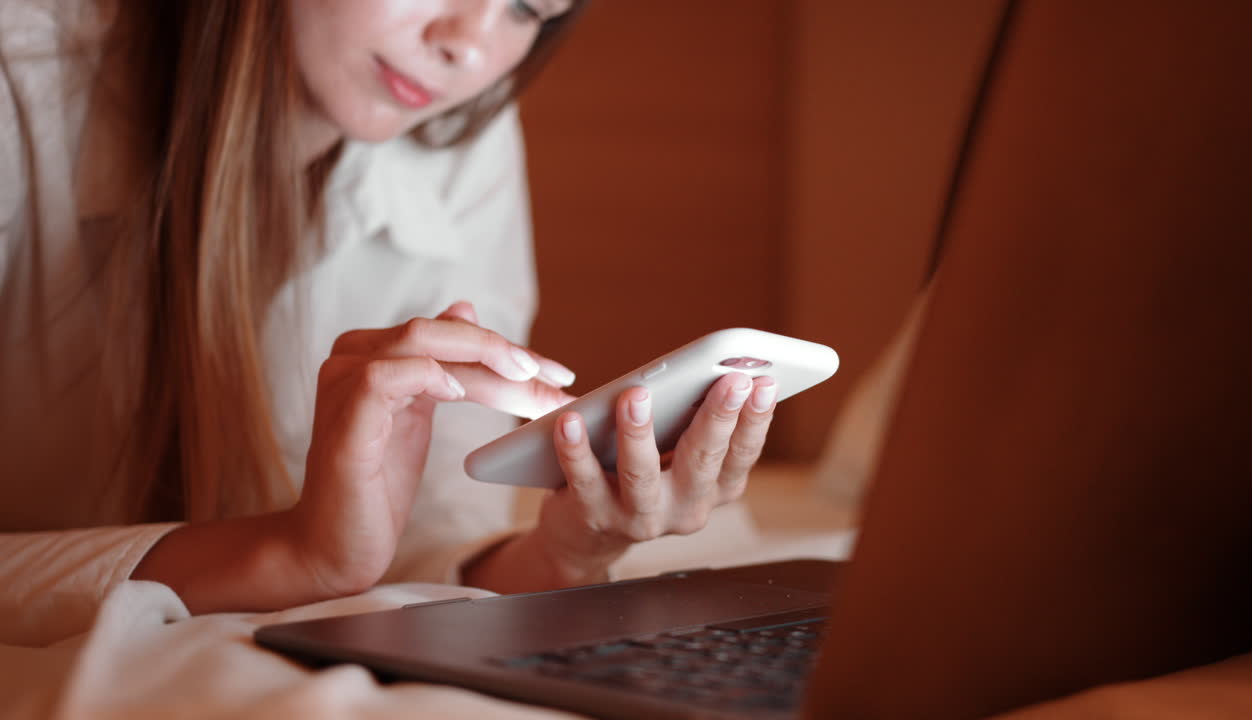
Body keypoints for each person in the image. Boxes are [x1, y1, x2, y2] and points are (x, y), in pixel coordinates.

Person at [0, 0, 780, 645]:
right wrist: (287, 557)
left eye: (526, 8)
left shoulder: (463, 139)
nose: (469, 49)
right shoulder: (18, 89)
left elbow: (430, 543)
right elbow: (335, 563)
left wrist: (564, 553)